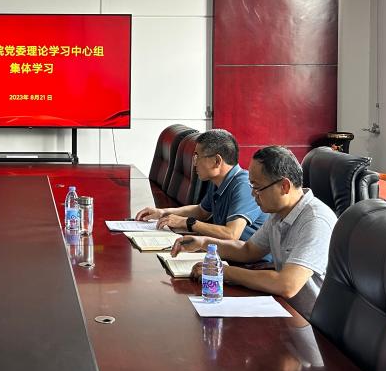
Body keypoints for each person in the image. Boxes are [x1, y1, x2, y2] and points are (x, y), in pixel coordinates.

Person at [170, 145, 337, 317]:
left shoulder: (315, 220)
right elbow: (248, 250)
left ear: (284, 186)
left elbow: (287, 285)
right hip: (283, 308)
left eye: (257, 187)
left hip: (309, 322)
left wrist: (224, 271)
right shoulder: (279, 213)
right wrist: (203, 243)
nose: (252, 194)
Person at [135, 129, 265, 241]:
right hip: (225, 252)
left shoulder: (243, 186)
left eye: (197, 157)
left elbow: (231, 234)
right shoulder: (218, 181)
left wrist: (187, 222)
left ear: (217, 161)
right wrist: (162, 212)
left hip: (250, 260)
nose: (194, 163)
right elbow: (201, 211)